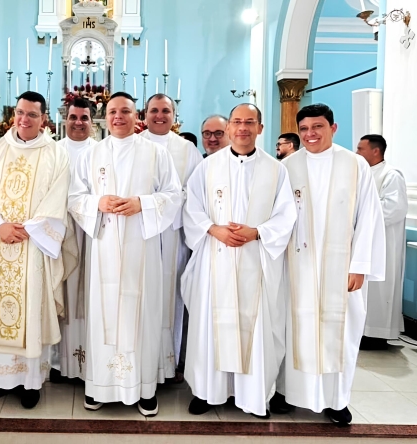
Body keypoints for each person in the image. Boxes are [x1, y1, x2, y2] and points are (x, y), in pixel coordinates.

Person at [68, 92, 183, 417]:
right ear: (105, 117)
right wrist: (98, 203)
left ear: (137, 117)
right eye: (113, 112)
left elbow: (174, 195)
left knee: (143, 314)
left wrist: (141, 204)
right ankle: (99, 387)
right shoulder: (91, 154)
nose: (118, 117)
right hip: (104, 246)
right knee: (102, 314)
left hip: (141, 248)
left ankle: (145, 390)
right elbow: (75, 197)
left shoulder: (156, 153)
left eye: (125, 111)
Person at [181, 104, 296, 418]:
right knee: (210, 326)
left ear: (260, 128)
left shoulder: (276, 170)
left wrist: (256, 232)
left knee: (256, 328)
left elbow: (287, 214)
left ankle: (253, 396)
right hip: (214, 258)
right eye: (237, 122)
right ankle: (207, 392)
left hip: (255, 259)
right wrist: (214, 229)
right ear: (229, 128)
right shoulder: (207, 167)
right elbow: (191, 207)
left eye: (250, 122)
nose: (243, 127)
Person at [274, 104, 385, 426]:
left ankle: (337, 400)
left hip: (342, 266)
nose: (311, 134)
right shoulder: (288, 166)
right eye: (305, 128)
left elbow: (369, 217)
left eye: (318, 127)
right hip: (296, 265)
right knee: (293, 327)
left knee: (342, 332)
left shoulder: (355, 165)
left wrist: (360, 265)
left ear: (333, 128)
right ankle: (287, 391)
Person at [0, 91, 75, 409]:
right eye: (20, 112)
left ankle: (30, 383)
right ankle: (0, 380)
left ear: (44, 118)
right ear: (13, 114)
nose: (24, 119)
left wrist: (29, 230)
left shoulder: (56, 154)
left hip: (34, 246)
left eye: (32, 114)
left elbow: (58, 199)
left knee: (31, 310)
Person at [140, 93, 203, 384]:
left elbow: (196, 192)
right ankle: (142, 361)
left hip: (174, 233)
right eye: (154, 110)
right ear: (144, 114)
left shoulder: (187, 149)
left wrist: (169, 204)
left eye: (165, 110)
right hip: (140, 232)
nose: (159, 115)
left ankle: (169, 362)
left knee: (171, 296)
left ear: (174, 116)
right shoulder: (135, 144)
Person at [50, 98, 97, 383]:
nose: (78, 123)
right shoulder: (53, 152)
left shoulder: (101, 153)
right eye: (73, 117)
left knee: (89, 295)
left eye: (84, 118)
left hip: (92, 232)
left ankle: (90, 361)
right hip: (58, 232)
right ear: (64, 119)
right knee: (62, 292)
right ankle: (60, 363)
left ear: (93, 122)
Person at [356, 134, 408, 349]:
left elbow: (394, 208)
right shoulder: (362, 173)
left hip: (384, 244)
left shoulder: (391, 175)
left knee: (380, 289)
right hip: (363, 241)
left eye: (360, 149)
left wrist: (362, 212)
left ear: (375, 151)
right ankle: (362, 332)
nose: (357, 153)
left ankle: (377, 335)